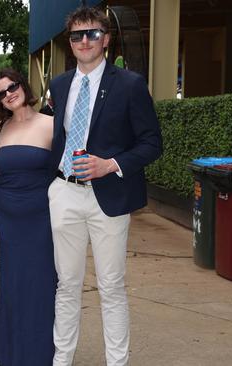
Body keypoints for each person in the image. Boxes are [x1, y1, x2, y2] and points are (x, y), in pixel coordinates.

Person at [48, 6, 163, 366]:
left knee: (111, 287)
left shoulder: (129, 84)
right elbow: (57, 136)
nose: (85, 41)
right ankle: (61, 360)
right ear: (71, 43)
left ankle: (117, 363)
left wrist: (110, 164)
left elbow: (151, 143)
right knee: (66, 285)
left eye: (92, 33)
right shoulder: (60, 84)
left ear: (106, 39)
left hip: (108, 197)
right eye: (77, 35)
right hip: (64, 193)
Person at [0, 69, 57, 366]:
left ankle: (40, 355)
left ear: (23, 86)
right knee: (12, 286)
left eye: (12, 87)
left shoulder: (52, 124)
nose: (8, 94)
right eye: (1, 93)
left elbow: (66, 169)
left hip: (41, 219)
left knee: (40, 286)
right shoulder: (1, 128)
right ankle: (10, 354)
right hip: (7, 220)